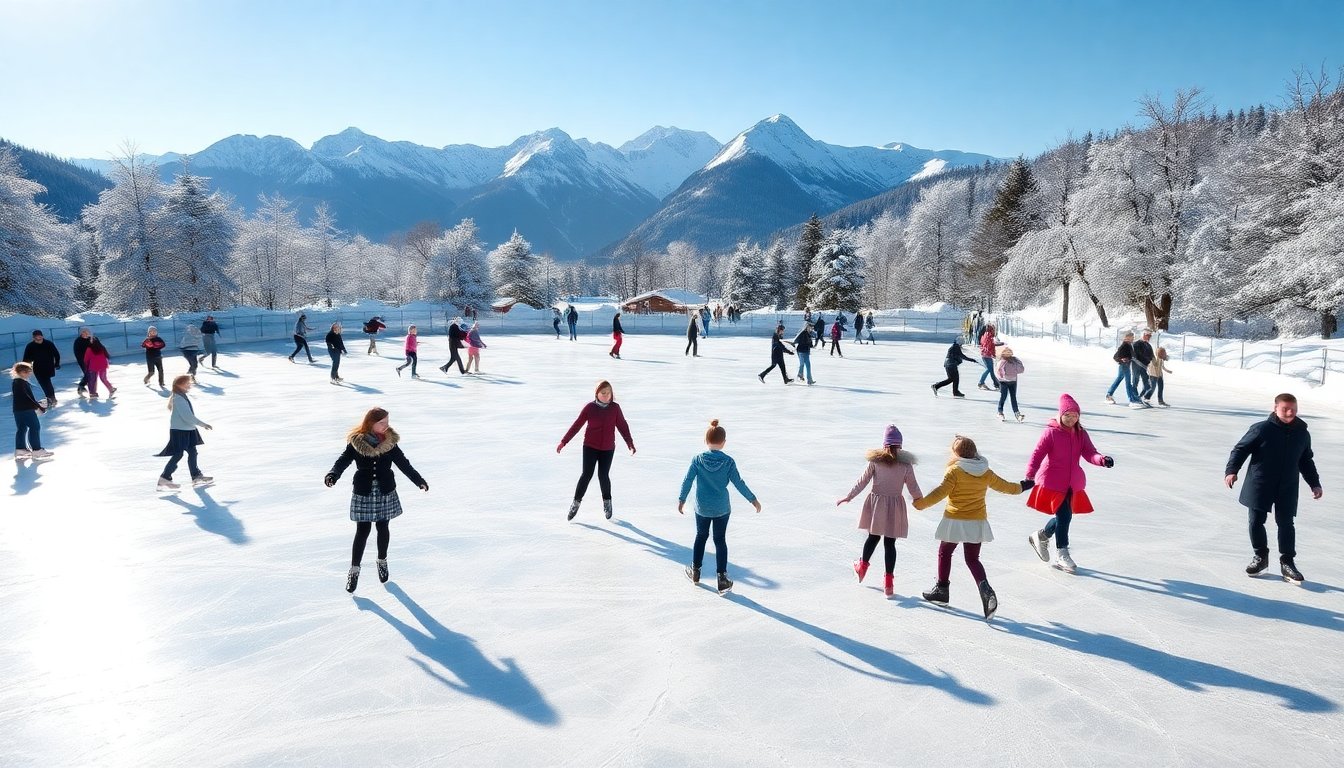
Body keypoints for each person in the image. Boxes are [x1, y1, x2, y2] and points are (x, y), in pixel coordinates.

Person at [913, 435, 1030, 619]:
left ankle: (942, 590)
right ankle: (985, 589)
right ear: (974, 452)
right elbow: (1005, 486)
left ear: (956, 453)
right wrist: (1022, 486)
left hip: (955, 520)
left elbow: (940, 492)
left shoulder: (954, 471)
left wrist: (921, 504)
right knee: (972, 559)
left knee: (945, 552)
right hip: (976, 521)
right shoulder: (985, 471)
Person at [325, 407, 428, 593]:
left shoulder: (390, 443)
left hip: (384, 491)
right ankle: (354, 570)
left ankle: (382, 560)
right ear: (371, 423)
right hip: (363, 491)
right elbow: (343, 460)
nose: (386, 426)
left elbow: (404, 464)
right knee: (362, 531)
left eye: (387, 422)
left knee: (383, 527)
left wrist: (418, 480)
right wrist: (333, 474)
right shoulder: (356, 442)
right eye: (382, 423)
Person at [1224, 393, 1322, 584]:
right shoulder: (1261, 429)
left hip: (1287, 486)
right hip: (1260, 483)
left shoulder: (1302, 433)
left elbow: (1305, 460)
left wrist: (1315, 483)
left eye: (1293, 408)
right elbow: (1240, 449)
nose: (1290, 412)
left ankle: (1288, 562)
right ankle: (1260, 556)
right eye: (1285, 408)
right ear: (1275, 408)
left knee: (1286, 524)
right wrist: (1232, 470)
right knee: (1256, 521)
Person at [1024, 394, 1115, 573]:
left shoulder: (1081, 433)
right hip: (1053, 481)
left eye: (1075, 415)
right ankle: (1062, 553)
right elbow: (1037, 454)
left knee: (1064, 517)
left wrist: (1102, 460)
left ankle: (1042, 535)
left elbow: (1090, 453)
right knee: (1065, 516)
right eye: (1068, 415)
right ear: (1061, 414)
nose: (1072, 418)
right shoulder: (1051, 432)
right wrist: (1029, 475)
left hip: (1072, 483)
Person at [836, 424, 922, 598]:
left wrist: (849, 496)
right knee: (890, 544)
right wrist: (920, 500)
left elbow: (863, 481)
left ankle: (862, 567)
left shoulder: (875, 462)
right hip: (895, 505)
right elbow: (913, 486)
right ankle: (888, 584)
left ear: (884, 444)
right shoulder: (905, 464)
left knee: (873, 537)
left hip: (877, 505)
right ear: (900, 445)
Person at [679, 419, 761, 595]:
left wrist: (682, 499)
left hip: (702, 507)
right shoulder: (729, 462)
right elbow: (739, 483)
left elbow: (687, 480)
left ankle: (695, 571)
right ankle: (722, 579)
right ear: (723, 443)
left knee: (701, 536)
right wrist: (752, 499)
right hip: (722, 508)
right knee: (720, 540)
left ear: (705, 441)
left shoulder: (698, 460)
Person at [557, 380, 636, 521]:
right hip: (590, 447)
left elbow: (623, 426)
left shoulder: (615, 409)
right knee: (586, 475)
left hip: (607, 448)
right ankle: (576, 503)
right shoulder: (590, 408)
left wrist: (629, 443)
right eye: (603, 393)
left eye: (608, 393)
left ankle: (607, 502)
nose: (606, 396)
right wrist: (564, 441)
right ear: (597, 394)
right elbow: (577, 425)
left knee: (603, 475)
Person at [155, 375, 213, 490]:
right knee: (178, 454)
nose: (189, 385)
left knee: (192, 452)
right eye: (187, 383)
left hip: (188, 429)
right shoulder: (179, 398)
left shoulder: (181, 396)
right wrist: (203, 424)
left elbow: (188, 418)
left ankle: (196, 475)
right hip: (180, 431)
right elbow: (188, 417)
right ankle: (164, 478)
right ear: (180, 385)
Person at [10, 362, 51, 459]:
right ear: (21, 372)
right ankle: (37, 450)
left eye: (29, 371)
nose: (29, 374)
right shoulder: (21, 383)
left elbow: (24, 397)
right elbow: (27, 397)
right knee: (35, 427)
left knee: (22, 428)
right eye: (27, 372)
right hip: (26, 409)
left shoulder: (17, 382)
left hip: (18, 410)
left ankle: (20, 449)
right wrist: (38, 406)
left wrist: (36, 404)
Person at [21, 330, 60, 407]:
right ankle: (51, 398)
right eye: (36, 336)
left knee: (47, 382)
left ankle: (51, 398)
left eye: (39, 336)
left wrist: (57, 363)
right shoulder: (30, 346)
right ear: (33, 337)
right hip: (38, 368)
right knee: (44, 383)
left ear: (42, 336)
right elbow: (26, 359)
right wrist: (25, 368)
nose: (38, 338)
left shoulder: (48, 344)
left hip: (49, 366)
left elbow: (56, 354)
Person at [1104, 331, 1140, 406]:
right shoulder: (1124, 346)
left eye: (1133, 337)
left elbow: (1132, 356)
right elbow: (1115, 357)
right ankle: (1132, 400)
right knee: (1128, 383)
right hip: (1124, 366)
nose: (1133, 338)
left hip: (1125, 366)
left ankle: (1109, 395)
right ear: (1128, 338)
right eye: (1132, 337)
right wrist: (1121, 360)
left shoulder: (1129, 345)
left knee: (1118, 380)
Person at [995, 346, 1026, 422]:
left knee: (1008, 397)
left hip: (1008, 381)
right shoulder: (1012, 360)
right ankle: (1003, 412)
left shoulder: (1006, 360)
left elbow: (997, 372)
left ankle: (1012, 413)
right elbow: (1021, 370)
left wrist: (1001, 378)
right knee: (1008, 397)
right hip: (1008, 381)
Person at [1131, 329, 1155, 402]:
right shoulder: (1136, 344)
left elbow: (1152, 356)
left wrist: (1155, 363)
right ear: (1144, 335)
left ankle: (1141, 396)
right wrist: (1143, 365)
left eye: (1150, 336)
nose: (1149, 337)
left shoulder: (1148, 345)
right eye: (1148, 336)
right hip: (1136, 366)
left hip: (1145, 367)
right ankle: (1135, 398)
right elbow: (1135, 357)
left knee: (1147, 383)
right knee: (1135, 381)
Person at [977, 323, 1001, 390]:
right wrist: (992, 354)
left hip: (985, 355)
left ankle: (996, 384)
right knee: (989, 370)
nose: (994, 331)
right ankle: (982, 382)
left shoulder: (986, 335)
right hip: (986, 355)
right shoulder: (989, 337)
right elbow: (988, 347)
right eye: (993, 329)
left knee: (990, 370)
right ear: (991, 330)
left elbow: (989, 345)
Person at [73, 327, 93, 396]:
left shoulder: (90, 339)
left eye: (87, 332)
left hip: (91, 360)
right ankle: (83, 387)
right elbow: (77, 353)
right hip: (83, 361)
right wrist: (82, 361)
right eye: (83, 332)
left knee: (91, 375)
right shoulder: (78, 341)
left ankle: (81, 386)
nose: (85, 333)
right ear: (81, 333)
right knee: (88, 374)